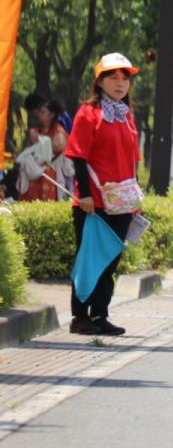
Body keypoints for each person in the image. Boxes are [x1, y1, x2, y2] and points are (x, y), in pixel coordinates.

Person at [63, 54, 142, 337]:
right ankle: (80, 317)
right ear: (99, 81)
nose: (120, 83)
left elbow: (132, 162)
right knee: (89, 261)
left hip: (121, 203)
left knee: (109, 262)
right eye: (112, 77)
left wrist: (136, 199)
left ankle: (100, 315)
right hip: (93, 204)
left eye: (125, 78)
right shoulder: (89, 113)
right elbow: (78, 157)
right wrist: (84, 194)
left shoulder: (126, 116)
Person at [18, 92, 71, 201]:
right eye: (39, 112)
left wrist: (40, 140)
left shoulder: (58, 130)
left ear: (51, 114)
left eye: (42, 112)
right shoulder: (38, 129)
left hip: (49, 175)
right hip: (35, 173)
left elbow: (60, 146)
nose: (38, 115)